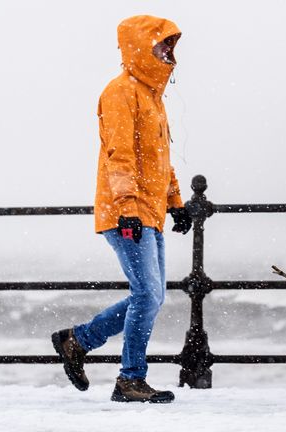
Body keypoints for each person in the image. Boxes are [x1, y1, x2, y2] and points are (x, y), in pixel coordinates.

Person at [51, 15, 192, 403]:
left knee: (152, 296)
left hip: (149, 212)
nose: (169, 52)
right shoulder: (119, 92)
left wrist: (175, 203)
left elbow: (161, 159)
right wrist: (128, 206)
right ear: (140, 47)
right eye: (162, 44)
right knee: (147, 295)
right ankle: (130, 379)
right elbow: (120, 155)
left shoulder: (152, 98)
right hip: (125, 213)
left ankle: (77, 341)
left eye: (170, 45)